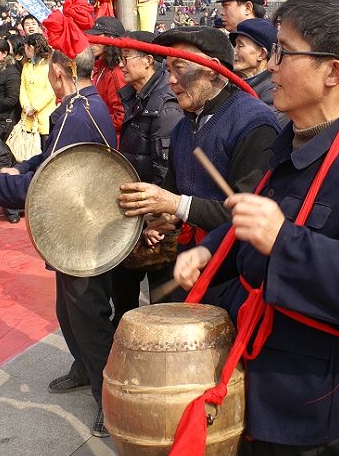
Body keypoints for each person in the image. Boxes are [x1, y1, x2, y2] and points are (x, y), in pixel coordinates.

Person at [164, 0, 339, 456]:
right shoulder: (292, 134)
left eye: (282, 52)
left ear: (332, 72)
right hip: (252, 371)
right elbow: (253, 217)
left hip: (306, 401)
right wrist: (212, 248)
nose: (269, 65)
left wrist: (286, 241)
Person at [0, 0, 118, 438]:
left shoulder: (77, 113)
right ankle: (84, 369)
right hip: (75, 228)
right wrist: (23, 165)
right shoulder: (80, 107)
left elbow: (51, 184)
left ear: (59, 71)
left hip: (82, 230)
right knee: (69, 311)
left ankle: (108, 400)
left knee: (89, 318)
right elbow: (52, 162)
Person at [117, 25, 282, 305]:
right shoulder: (183, 127)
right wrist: (160, 220)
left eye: (180, 68)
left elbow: (247, 218)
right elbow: (174, 197)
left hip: (233, 280)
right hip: (189, 270)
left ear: (213, 69)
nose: (170, 80)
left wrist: (175, 205)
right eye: (168, 70)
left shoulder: (254, 123)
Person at [109, 30, 184, 323]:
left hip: (155, 225)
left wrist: (156, 222)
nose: (121, 66)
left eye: (126, 58)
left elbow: (165, 173)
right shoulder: (137, 97)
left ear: (149, 61)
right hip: (136, 218)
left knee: (161, 315)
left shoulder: (165, 106)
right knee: (124, 309)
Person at [229, 18, 289, 128]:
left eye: (240, 46)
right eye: (235, 45)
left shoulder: (274, 89)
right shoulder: (231, 83)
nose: (234, 51)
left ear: (261, 54)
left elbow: (261, 127)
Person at [85, 15, 126, 147]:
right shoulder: (100, 66)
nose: (90, 41)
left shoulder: (115, 72)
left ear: (111, 39)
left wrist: (94, 125)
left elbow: (121, 115)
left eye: (96, 36)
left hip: (111, 142)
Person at [20, 33, 57, 149]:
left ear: (31, 48)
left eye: (25, 47)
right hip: (27, 116)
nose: (24, 51)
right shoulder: (26, 64)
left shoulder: (50, 64)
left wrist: (34, 107)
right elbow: (23, 87)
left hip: (45, 116)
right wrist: (26, 105)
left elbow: (51, 90)